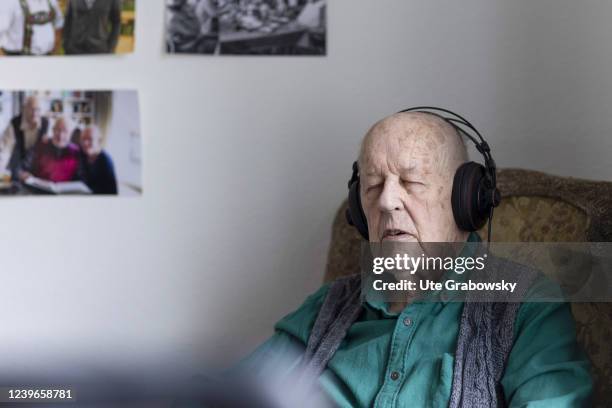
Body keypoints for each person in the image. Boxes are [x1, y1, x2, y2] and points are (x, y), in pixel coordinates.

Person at [237, 111, 593, 407]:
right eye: (373, 186)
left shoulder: (526, 305)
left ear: (466, 201)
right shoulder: (328, 306)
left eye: (412, 182)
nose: (386, 201)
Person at [0, 95, 49, 178]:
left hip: (37, 167)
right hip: (16, 166)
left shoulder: (46, 123)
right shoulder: (15, 123)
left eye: (38, 110)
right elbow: (5, 149)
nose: (35, 113)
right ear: (24, 108)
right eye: (32, 109)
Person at [22, 116, 80, 182]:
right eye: (58, 130)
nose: (61, 135)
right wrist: (24, 174)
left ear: (71, 133)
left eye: (65, 131)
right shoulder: (41, 146)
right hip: (40, 189)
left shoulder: (77, 152)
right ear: (53, 130)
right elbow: (24, 167)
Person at [79, 125, 117, 194]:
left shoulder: (105, 161)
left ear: (99, 141)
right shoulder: (82, 154)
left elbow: (110, 192)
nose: (85, 143)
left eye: (90, 139)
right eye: (83, 139)